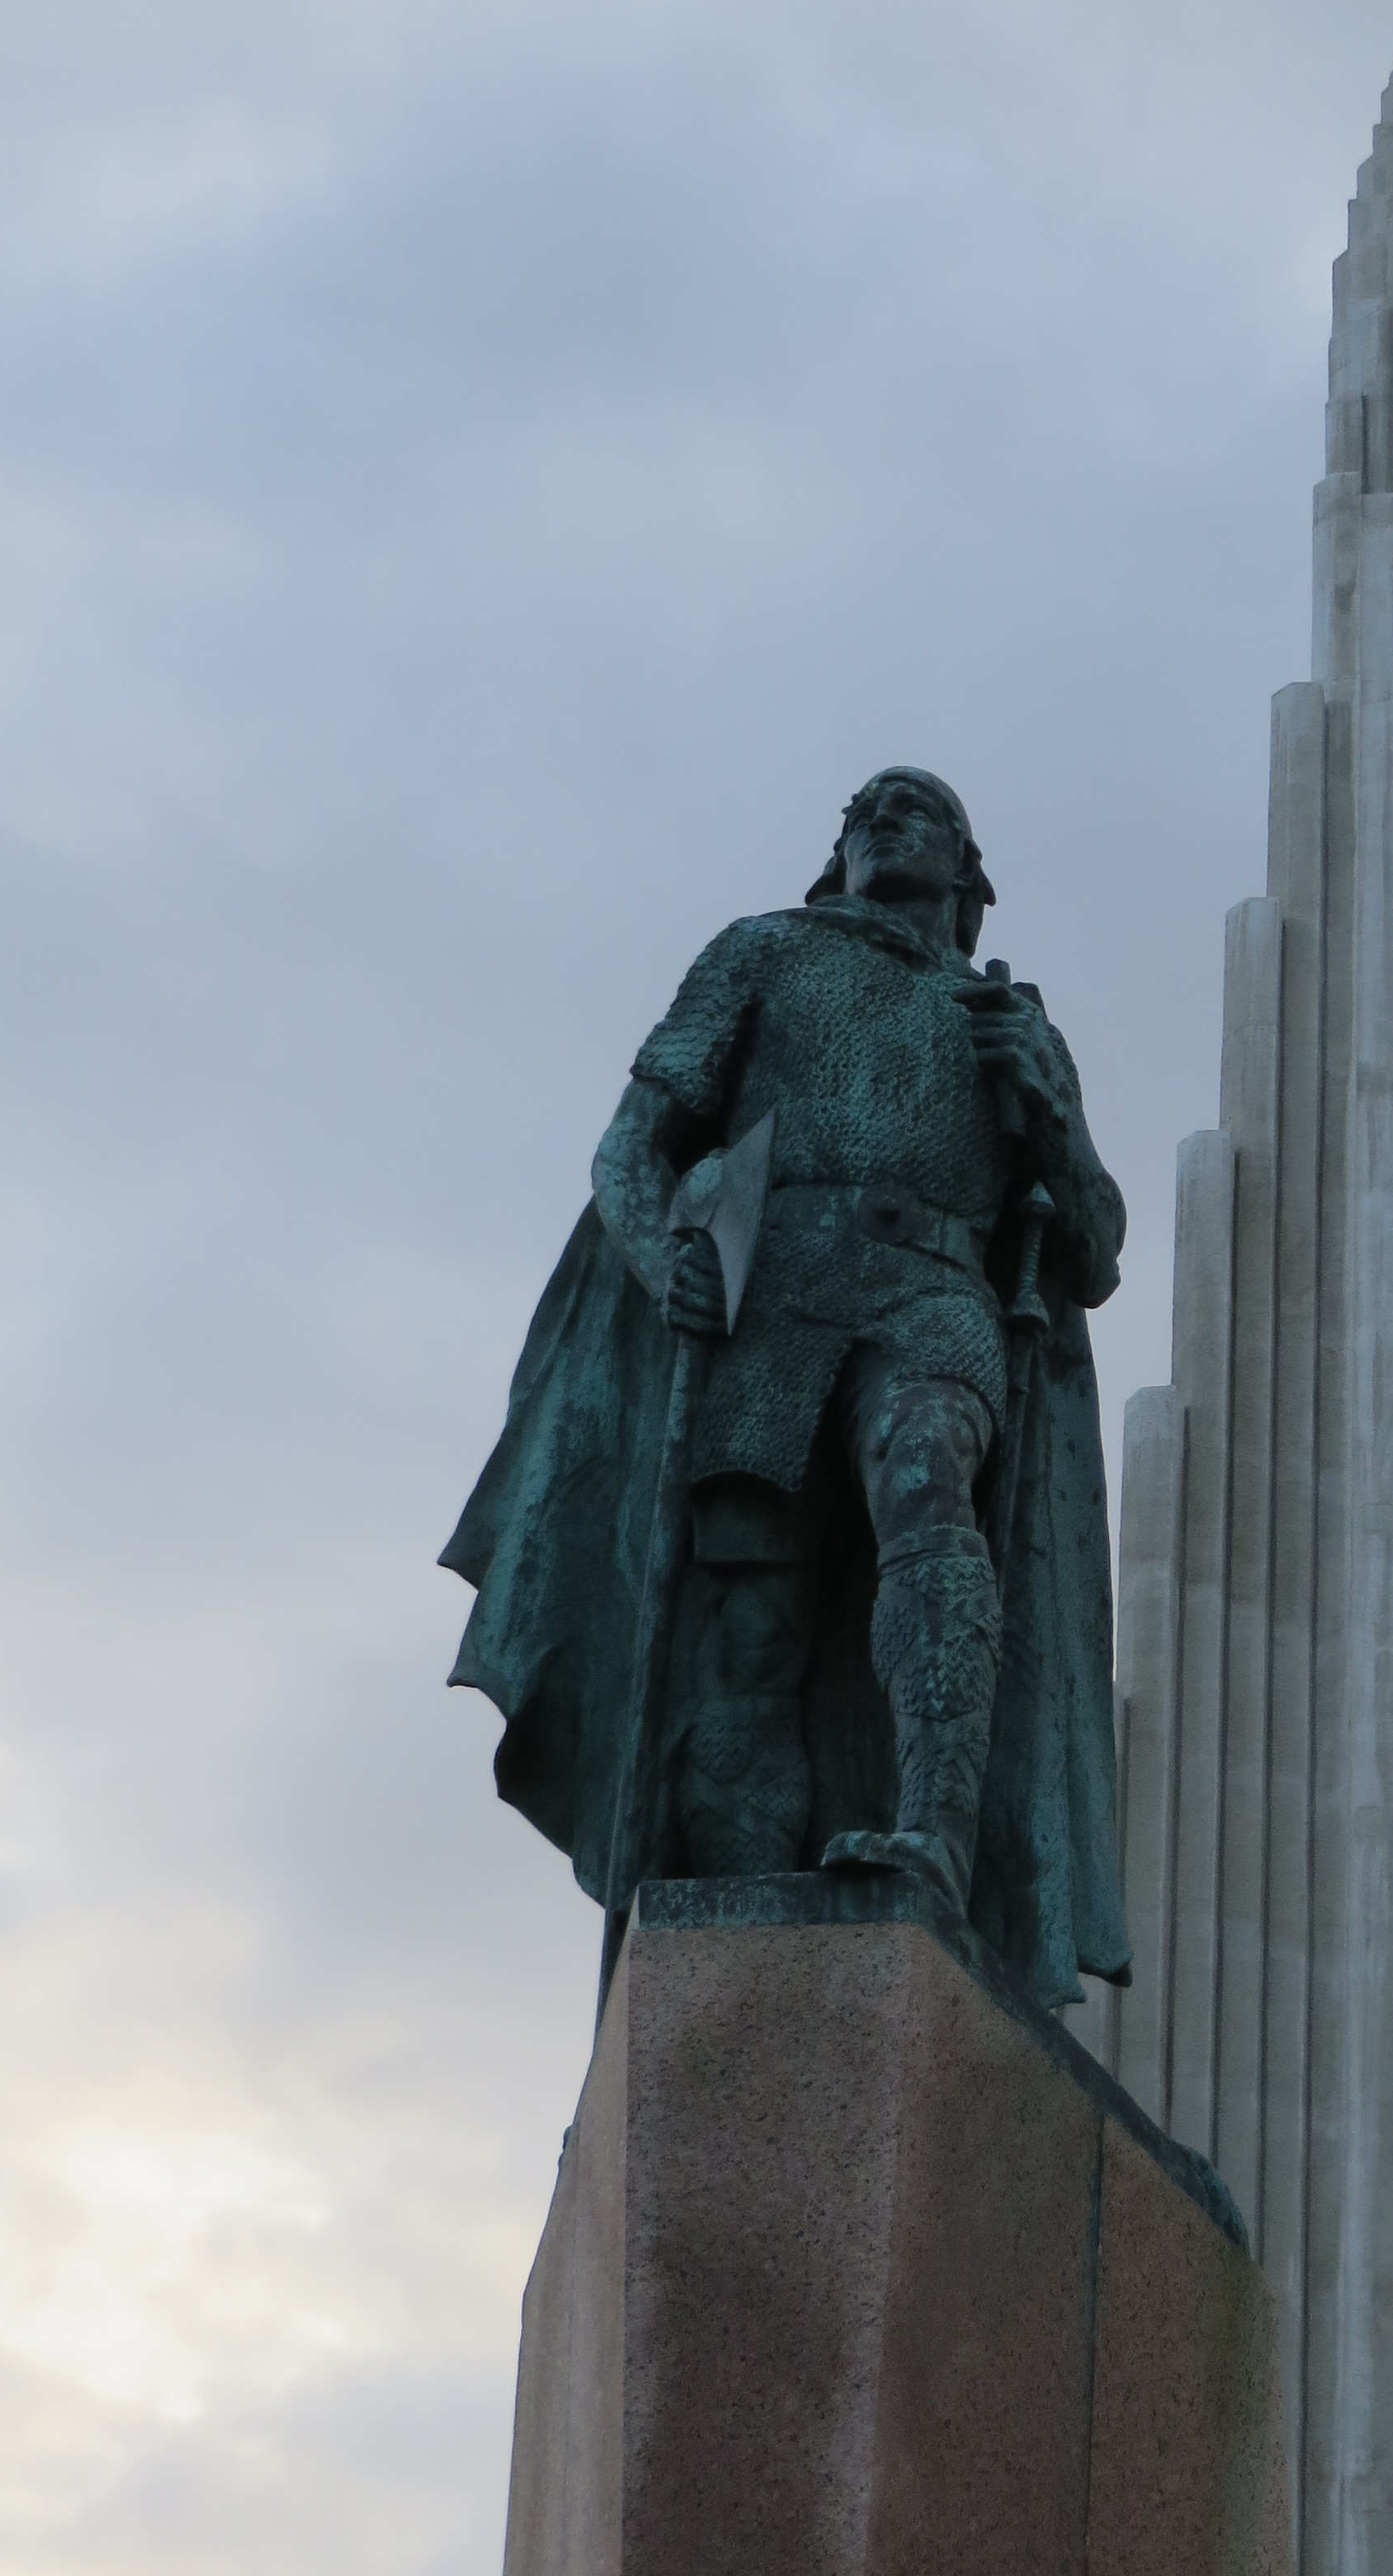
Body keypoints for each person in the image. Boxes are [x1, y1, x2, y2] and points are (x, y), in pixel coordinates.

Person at [440, 768, 1132, 2010]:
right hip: (776, 1301)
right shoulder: (763, 953)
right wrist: (665, 1264)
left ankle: (933, 1837)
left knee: (929, 1497)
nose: (879, 820)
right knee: (750, 1626)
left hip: (933, 1295)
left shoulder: (1006, 1023)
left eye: (913, 809)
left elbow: (1095, 1250)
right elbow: (630, 1147)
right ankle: (743, 1933)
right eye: (862, 811)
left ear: (971, 877)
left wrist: (1050, 1107)